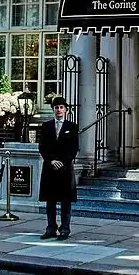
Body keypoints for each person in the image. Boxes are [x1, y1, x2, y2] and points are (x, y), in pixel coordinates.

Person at [38, 96, 78, 240]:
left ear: (66, 110)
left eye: (61, 107)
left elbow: (74, 148)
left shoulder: (72, 127)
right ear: (53, 110)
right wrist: (51, 161)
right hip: (50, 168)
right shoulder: (46, 126)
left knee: (65, 200)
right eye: (56, 108)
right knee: (51, 200)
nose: (59, 110)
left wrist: (62, 161)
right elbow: (42, 147)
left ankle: (65, 229)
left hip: (65, 169)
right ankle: (51, 228)